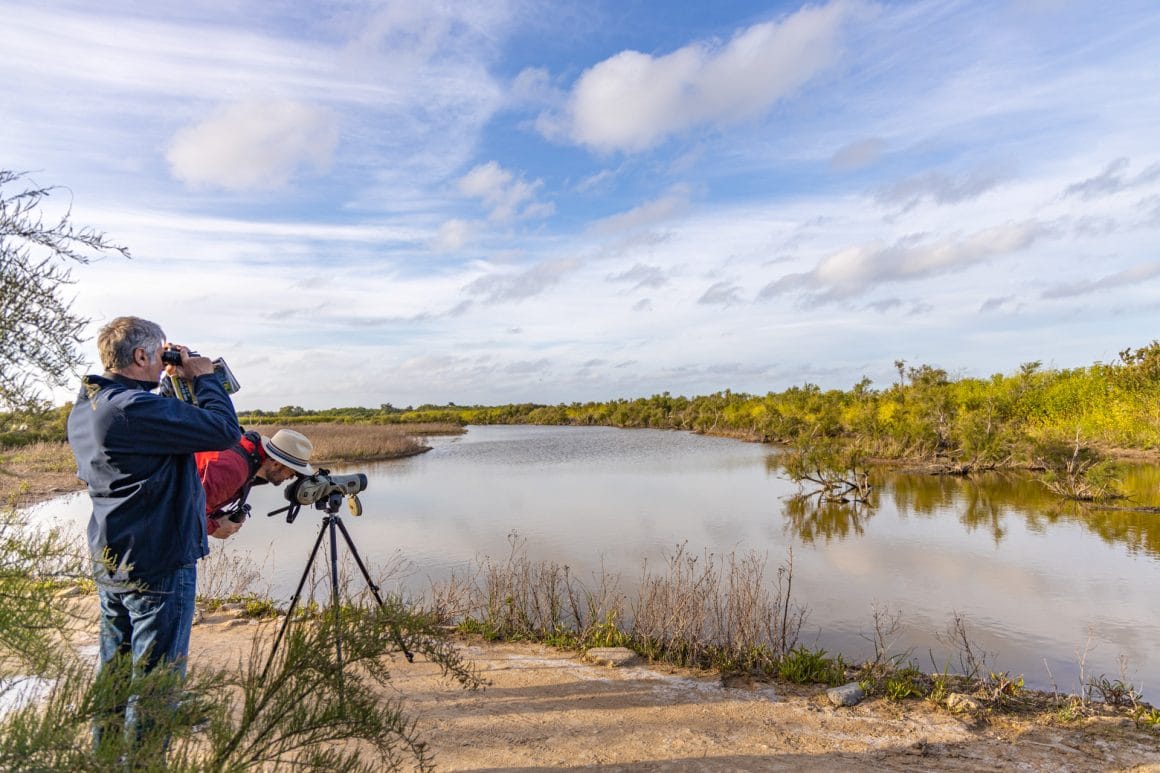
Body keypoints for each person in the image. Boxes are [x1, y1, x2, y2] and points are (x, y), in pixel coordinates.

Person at [67, 316, 241, 745]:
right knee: (156, 687)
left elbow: (153, 437)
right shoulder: (132, 408)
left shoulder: (90, 405)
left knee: (115, 675)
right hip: (158, 562)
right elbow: (224, 431)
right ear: (142, 355)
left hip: (114, 556)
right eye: (160, 352)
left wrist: (170, 381)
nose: (165, 359)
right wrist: (203, 377)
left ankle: (105, 760)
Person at [196, 428, 316, 539]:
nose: (290, 478)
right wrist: (214, 528)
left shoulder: (248, 460)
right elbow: (185, 511)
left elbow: (201, 501)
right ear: (276, 464)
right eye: (292, 472)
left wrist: (219, 518)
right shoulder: (234, 470)